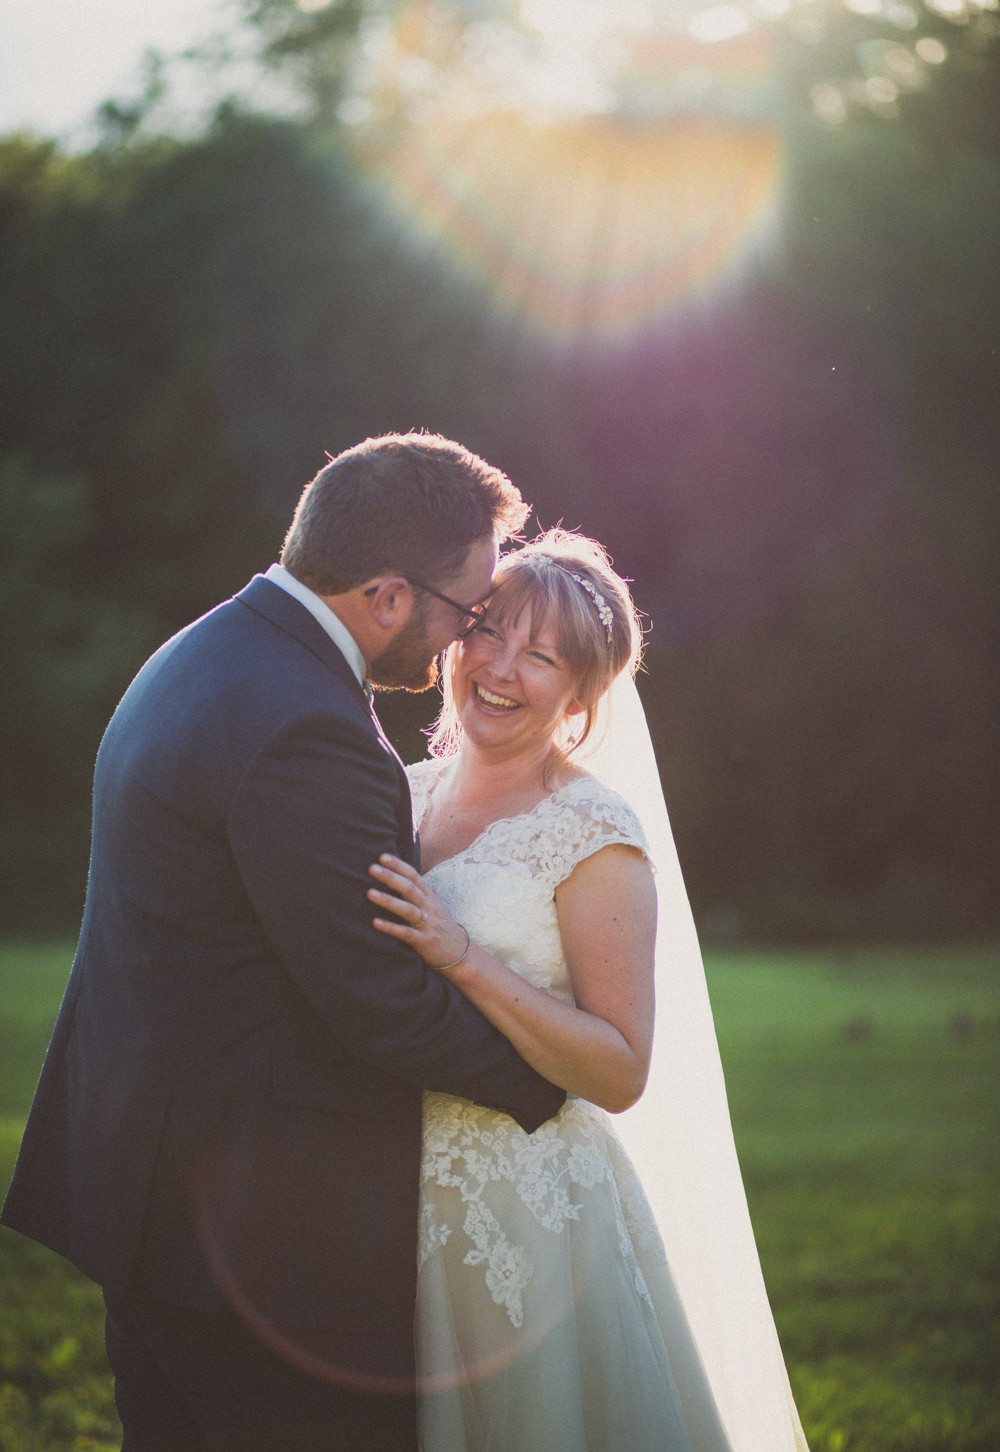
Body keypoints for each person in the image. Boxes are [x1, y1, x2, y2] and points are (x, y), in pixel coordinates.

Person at [1, 434, 565, 1452]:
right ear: (388, 597)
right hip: (256, 1235)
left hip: (155, 1191)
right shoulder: (307, 726)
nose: (463, 643)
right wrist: (550, 1090)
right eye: (467, 612)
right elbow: (376, 1000)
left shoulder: (207, 650)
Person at [367, 529, 810, 1452]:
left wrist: (462, 956)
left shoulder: (592, 834)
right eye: (490, 635)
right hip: (384, 1201)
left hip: (528, 1221)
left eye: (542, 657)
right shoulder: (394, 794)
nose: (499, 668)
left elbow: (618, 1070)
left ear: (581, 694)